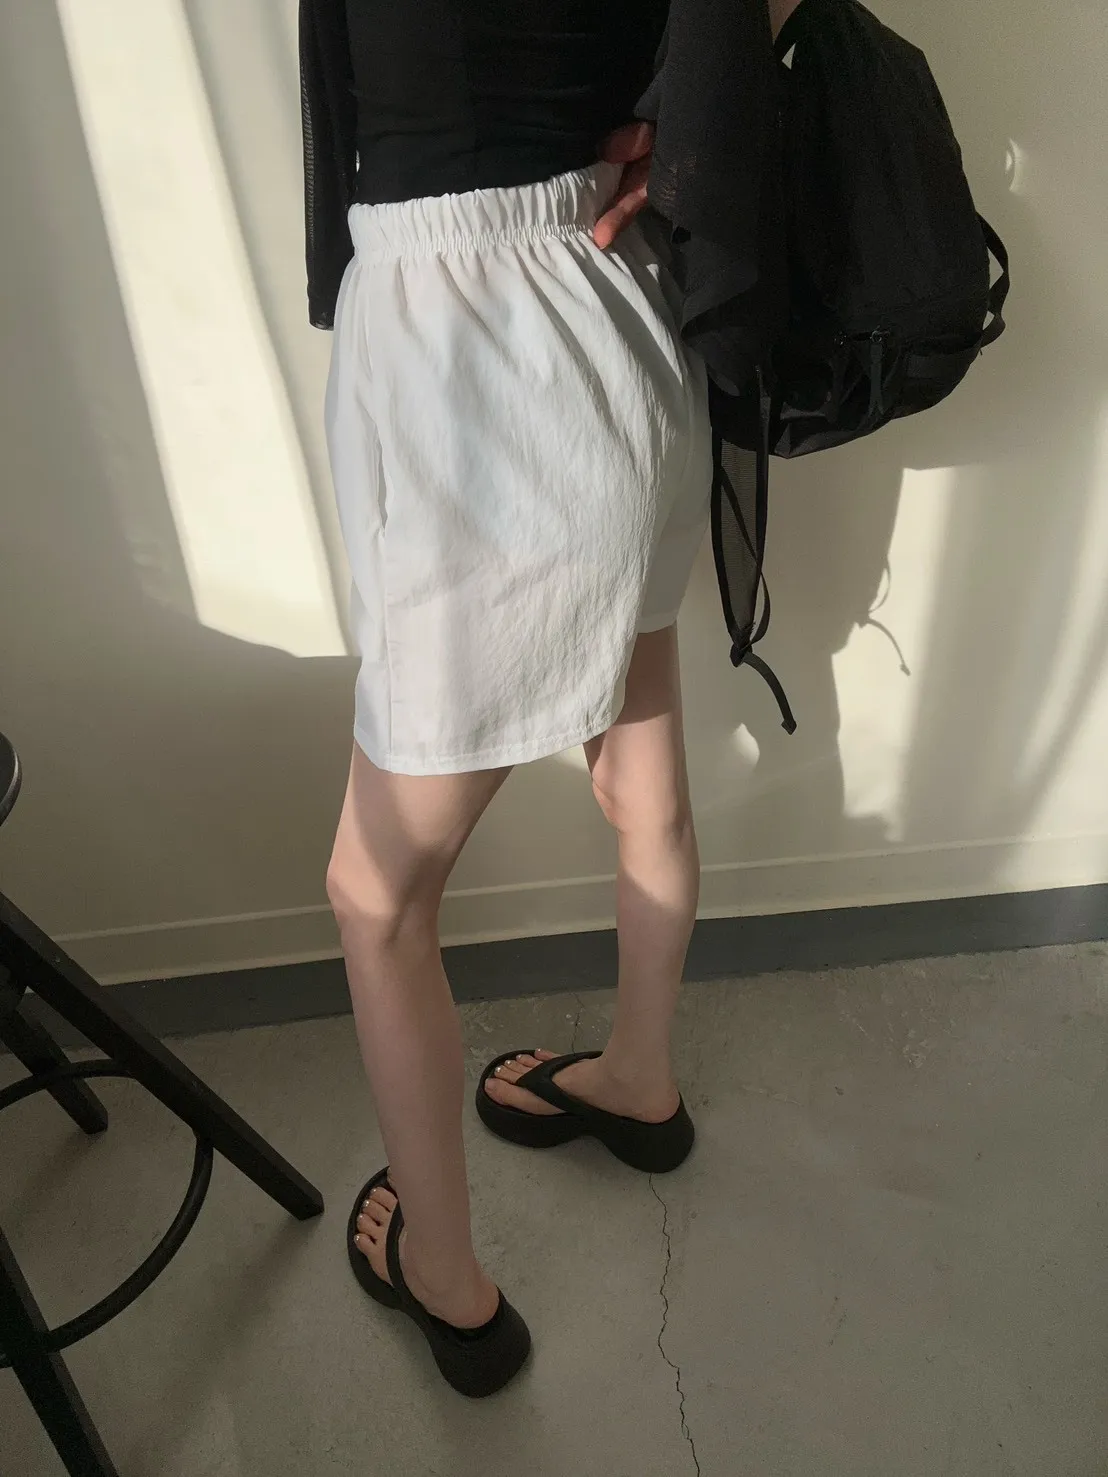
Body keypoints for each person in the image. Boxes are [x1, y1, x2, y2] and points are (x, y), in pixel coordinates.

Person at [299, 0, 764, 1395]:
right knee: (641, 767)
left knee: (376, 897)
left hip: (470, 368)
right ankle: (639, 1084)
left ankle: (447, 1282)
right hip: (617, 317)